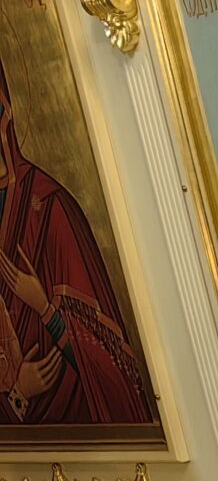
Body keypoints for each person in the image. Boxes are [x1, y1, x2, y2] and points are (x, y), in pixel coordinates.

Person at [0, 57, 152, 426]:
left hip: (80, 432)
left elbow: (113, 371)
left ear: (4, 111)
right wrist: (15, 392)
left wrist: (45, 309)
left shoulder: (49, 207)